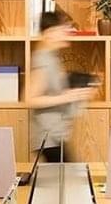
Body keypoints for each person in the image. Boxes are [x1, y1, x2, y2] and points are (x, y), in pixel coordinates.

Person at [26, 11, 95, 162]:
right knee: (65, 181)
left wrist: (75, 92)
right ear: (49, 33)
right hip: (48, 138)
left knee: (65, 181)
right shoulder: (43, 60)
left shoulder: (52, 58)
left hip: (55, 136)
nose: (68, 32)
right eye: (63, 29)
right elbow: (30, 99)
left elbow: (54, 91)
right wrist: (66, 97)